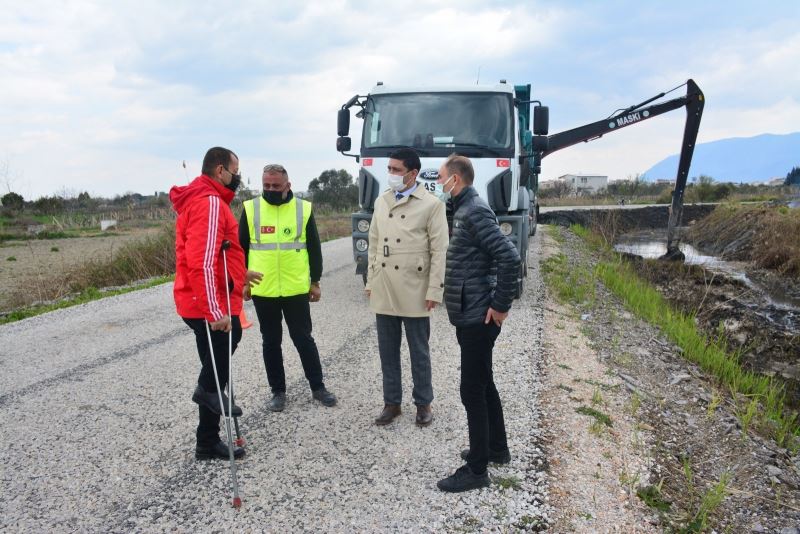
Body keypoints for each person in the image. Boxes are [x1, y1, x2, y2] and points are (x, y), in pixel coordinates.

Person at [435, 154, 521, 492]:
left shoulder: (473, 211)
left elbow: (510, 257)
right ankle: (496, 449)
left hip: (477, 315)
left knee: (472, 389)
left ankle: (476, 469)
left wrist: (500, 305)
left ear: (455, 179)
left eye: (441, 177)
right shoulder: (463, 209)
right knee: (484, 383)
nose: (439, 183)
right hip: (469, 310)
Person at [170, 146, 248, 461]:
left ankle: (206, 441)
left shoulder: (198, 199)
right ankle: (207, 399)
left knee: (216, 370)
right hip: (205, 301)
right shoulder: (211, 203)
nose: (237, 177)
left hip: (198, 297)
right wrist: (215, 312)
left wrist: (241, 273)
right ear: (220, 171)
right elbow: (201, 262)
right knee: (216, 371)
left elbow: (218, 252)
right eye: (235, 171)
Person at [238, 164, 337, 412]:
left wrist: (315, 281)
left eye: (276, 185)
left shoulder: (303, 209)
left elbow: (314, 247)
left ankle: (318, 387)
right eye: (266, 185)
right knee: (271, 342)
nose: (270, 189)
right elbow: (241, 250)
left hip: (295, 287)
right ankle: (278, 392)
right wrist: (242, 281)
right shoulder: (251, 209)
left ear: (288, 185)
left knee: (303, 339)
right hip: (264, 288)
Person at [365, 148, 448, 427]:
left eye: (396, 170)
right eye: (389, 169)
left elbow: (439, 250)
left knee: (418, 352)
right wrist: (370, 281)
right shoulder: (382, 201)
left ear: (413, 174)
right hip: (385, 284)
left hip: (416, 286)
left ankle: (423, 403)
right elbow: (374, 244)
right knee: (387, 351)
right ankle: (392, 403)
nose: (391, 174)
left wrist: (435, 290)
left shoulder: (432, 204)